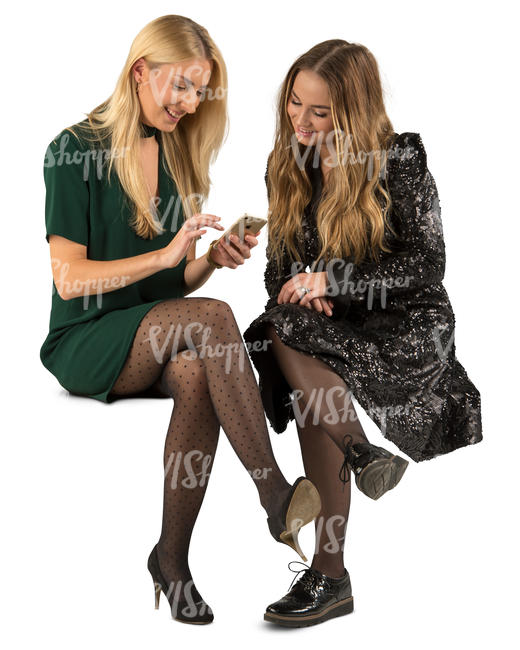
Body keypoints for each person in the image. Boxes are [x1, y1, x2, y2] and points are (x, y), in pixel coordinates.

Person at [40, 15, 322, 626]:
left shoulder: (175, 153)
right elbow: (68, 277)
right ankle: (274, 492)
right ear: (141, 71)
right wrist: (168, 257)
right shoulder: (72, 150)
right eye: (183, 86)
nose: (192, 104)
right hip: (87, 338)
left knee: (198, 369)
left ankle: (171, 560)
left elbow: (174, 286)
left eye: (202, 91)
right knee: (214, 320)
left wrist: (206, 263)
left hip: (154, 331)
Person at [243, 39, 483, 628]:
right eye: (294, 103)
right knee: (283, 327)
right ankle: (359, 459)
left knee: (296, 353)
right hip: (333, 323)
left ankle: (331, 575)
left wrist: (334, 280)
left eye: (318, 112)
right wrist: (304, 287)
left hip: (405, 325)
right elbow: (278, 274)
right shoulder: (288, 164)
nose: (299, 120)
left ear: (350, 113)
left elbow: (428, 265)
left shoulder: (397, 160)